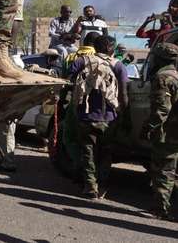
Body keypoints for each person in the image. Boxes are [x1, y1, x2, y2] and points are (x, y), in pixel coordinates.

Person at [68, 35, 126, 198]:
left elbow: (69, 81)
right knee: (106, 153)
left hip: (86, 116)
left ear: (95, 47)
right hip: (109, 118)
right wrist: (122, 113)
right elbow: (123, 93)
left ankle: (90, 186)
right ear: (111, 48)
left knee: (88, 151)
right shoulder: (118, 65)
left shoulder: (82, 61)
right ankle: (102, 186)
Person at [140, 42, 178, 220]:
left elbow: (161, 109)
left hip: (168, 133)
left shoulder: (163, 78)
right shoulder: (176, 76)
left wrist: (149, 128)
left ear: (160, 59)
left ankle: (160, 208)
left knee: (163, 169)